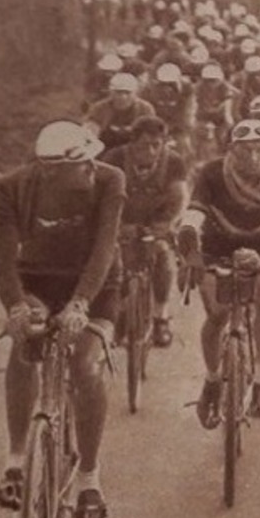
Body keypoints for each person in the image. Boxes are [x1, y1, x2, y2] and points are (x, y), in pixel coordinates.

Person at [0, 120, 125, 518]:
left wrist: (81, 303)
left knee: (85, 365)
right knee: (23, 345)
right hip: (37, 280)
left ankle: (89, 478)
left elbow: (104, 248)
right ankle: (15, 460)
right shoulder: (10, 188)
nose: (91, 169)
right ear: (50, 170)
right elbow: (2, 258)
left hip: (94, 282)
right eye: (82, 164)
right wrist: (15, 307)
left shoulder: (109, 180)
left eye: (91, 160)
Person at [175, 118, 260, 423]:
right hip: (217, 247)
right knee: (217, 315)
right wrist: (191, 254)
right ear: (231, 150)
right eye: (245, 151)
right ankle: (212, 379)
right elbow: (191, 219)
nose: (254, 158)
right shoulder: (211, 173)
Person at [100, 116, 188, 348]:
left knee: (161, 254)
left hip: (157, 219)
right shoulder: (114, 159)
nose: (150, 151)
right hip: (122, 217)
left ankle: (161, 317)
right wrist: (115, 227)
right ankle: (115, 313)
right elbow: (100, 198)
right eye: (142, 146)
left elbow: (179, 199)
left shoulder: (174, 162)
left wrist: (167, 225)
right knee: (114, 259)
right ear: (131, 145)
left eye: (156, 145)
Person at [85, 71, 157, 154]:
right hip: (104, 149)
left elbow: (152, 136)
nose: (123, 97)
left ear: (135, 93)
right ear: (110, 92)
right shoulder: (99, 108)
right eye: (118, 92)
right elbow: (89, 135)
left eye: (127, 93)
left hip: (135, 151)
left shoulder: (145, 109)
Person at [145, 62, 196, 159]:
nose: (167, 88)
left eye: (171, 84)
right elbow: (148, 112)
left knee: (184, 144)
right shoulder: (149, 90)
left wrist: (178, 129)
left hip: (178, 125)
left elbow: (188, 113)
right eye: (163, 84)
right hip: (157, 125)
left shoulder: (187, 90)